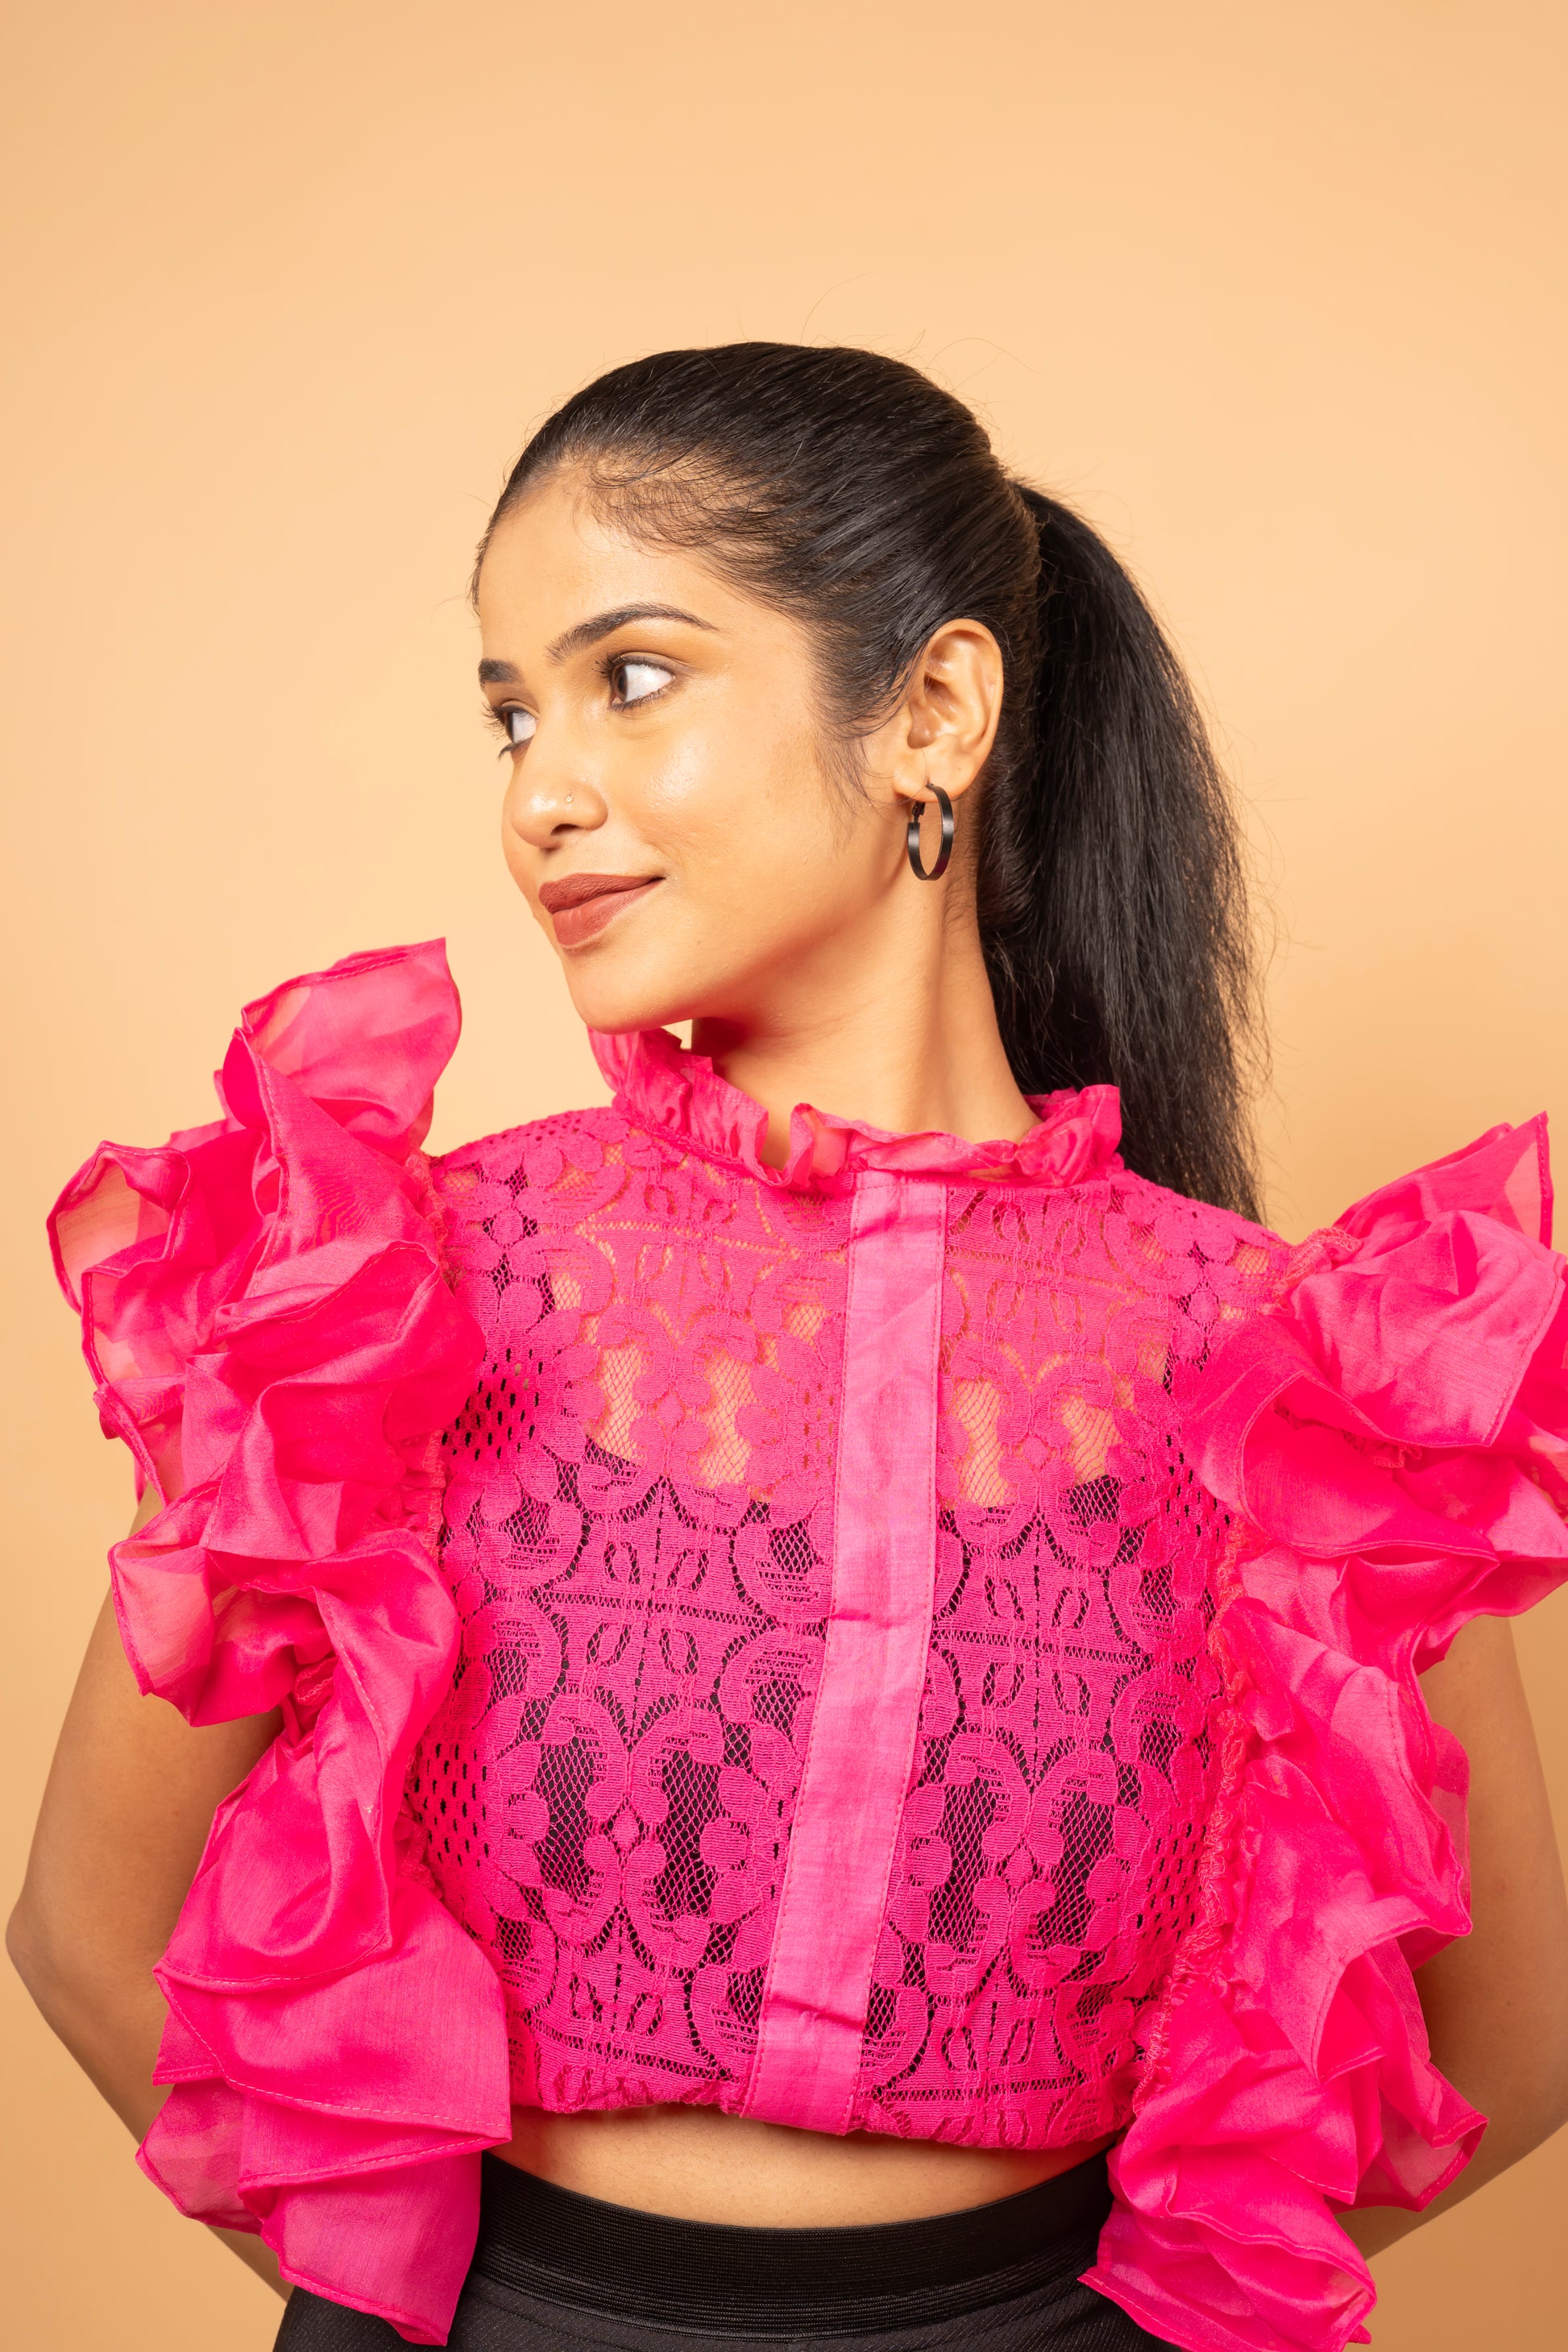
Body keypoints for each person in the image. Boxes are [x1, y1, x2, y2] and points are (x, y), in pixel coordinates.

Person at [10, 342, 1568, 2352]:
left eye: (631, 677)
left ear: (932, 711)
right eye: (510, 713)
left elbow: (1511, 2037)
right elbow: (91, 1933)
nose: (540, 793)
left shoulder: (1308, 1364)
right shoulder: (383, 1286)